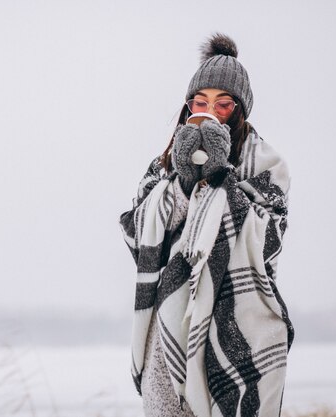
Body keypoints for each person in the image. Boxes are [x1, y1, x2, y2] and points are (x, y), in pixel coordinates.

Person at [119, 33, 294, 417]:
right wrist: (183, 181)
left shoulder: (266, 165)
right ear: (187, 107)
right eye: (200, 102)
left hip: (239, 324)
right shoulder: (162, 165)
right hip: (167, 330)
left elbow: (268, 241)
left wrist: (220, 176)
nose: (210, 111)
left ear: (240, 109)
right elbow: (137, 235)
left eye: (223, 104)